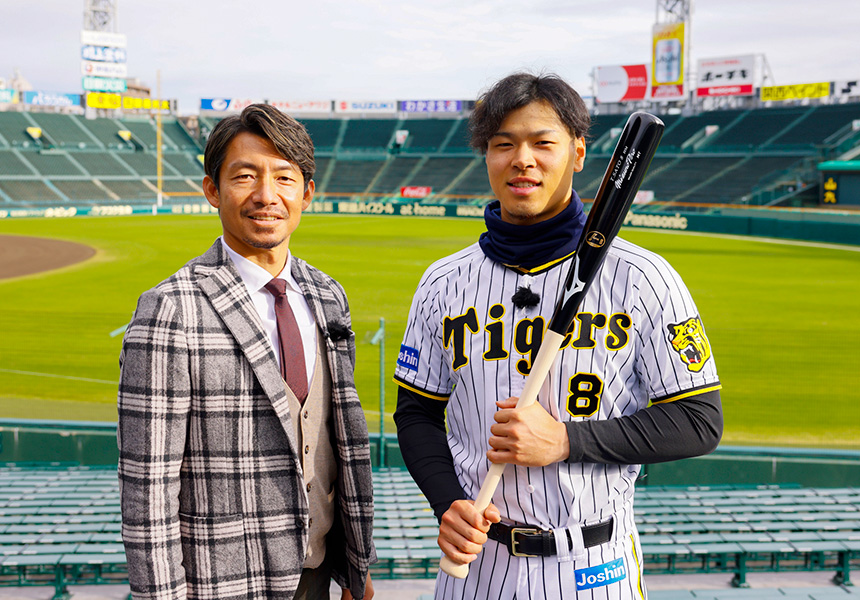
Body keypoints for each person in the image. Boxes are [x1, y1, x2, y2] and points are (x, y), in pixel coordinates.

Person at [393, 72, 723, 599]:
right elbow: (416, 413)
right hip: (478, 564)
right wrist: (447, 501)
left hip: (596, 565)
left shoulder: (643, 277)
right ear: (487, 156)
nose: (522, 159)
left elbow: (699, 421)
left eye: (543, 142)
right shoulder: (443, 282)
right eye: (504, 144)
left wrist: (567, 440)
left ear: (577, 153)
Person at [117, 103, 375, 600]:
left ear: (307, 194)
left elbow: (335, 443)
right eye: (245, 176)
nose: (266, 196)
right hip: (223, 587)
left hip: (320, 577)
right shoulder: (170, 309)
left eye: (284, 177)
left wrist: (357, 569)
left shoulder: (327, 295)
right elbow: (147, 493)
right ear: (213, 190)